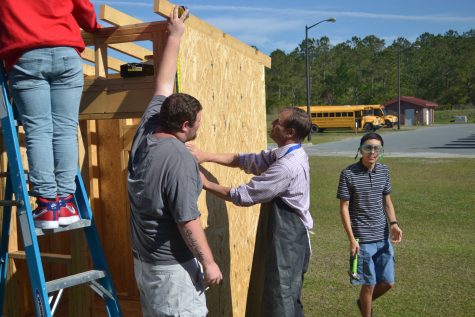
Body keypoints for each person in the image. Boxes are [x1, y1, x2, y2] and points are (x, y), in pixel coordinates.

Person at [127, 6, 222, 316]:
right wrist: (208, 262)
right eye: (198, 123)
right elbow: (187, 221)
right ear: (185, 126)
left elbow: (163, 85)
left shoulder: (149, 129)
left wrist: (175, 34)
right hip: (172, 274)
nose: (199, 127)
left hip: (146, 264)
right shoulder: (179, 158)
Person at [189, 107, 312, 317]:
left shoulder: (287, 166)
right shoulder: (284, 153)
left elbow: (243, 195)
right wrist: (205, 156)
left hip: (290, 241)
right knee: (278, 297)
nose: (273, 124)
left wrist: (206, 184)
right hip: (283, 237)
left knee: (281, 301)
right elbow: (246, 160)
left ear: (290, 132)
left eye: (278, 123)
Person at [0, 0, 102, 229]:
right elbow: (83, 7)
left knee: (39, 131)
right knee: (65, 130)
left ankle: (47, 206)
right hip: (66, 52)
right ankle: (66, 203)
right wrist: (94, 26)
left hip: (25, 55)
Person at [337, 132, 403, 317]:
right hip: (362, 240)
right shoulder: (348, 174)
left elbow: (387, 201)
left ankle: (362, 303)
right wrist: (351, 239)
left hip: (382, 237)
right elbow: (344, 208)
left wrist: (394, 224)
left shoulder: (384, 171)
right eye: (368, 148)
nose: (372, 152)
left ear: (380, 151)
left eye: (376, 148)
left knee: (388, 282)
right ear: (360, 150)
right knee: (369, 283)